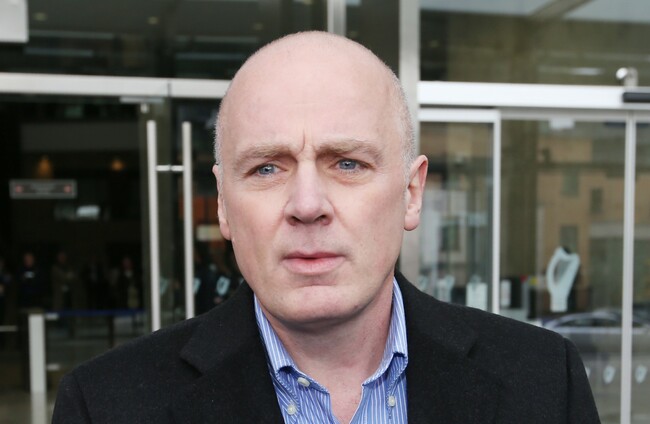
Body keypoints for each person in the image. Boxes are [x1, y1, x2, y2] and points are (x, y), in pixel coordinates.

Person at [52, 32, 600, 423]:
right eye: (267, 169)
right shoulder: (105, 406)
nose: (307, 204)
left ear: (411, 194)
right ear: (222, 205)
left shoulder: (544, 381)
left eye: (348, 163)